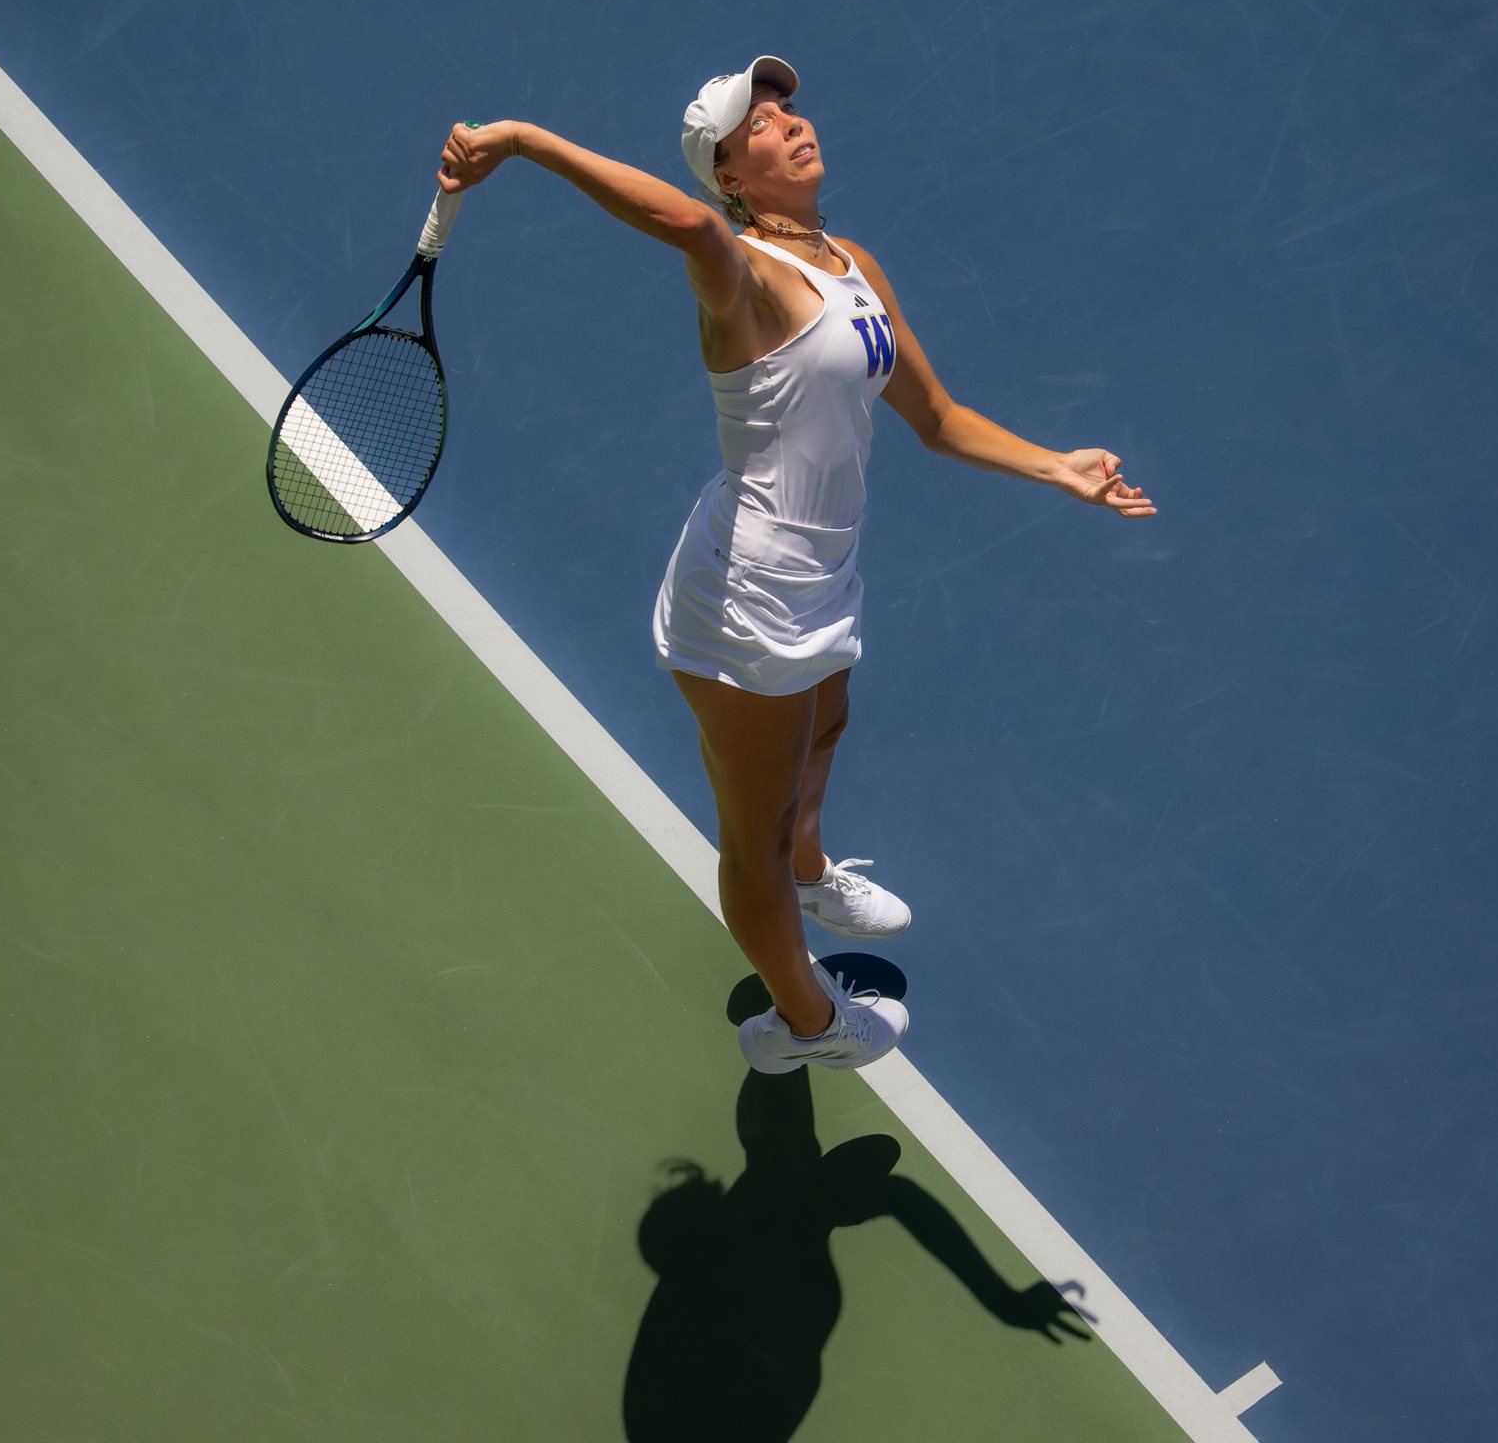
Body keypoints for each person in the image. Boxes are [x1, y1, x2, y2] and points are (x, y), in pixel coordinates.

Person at [437, 57, 1156, 1074]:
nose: (790, 123)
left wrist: (1057, 466)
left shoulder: (850, 263)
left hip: (823, 568)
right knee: (755, 839)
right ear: (730, 177)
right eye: (761, 126)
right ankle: (804, 1027)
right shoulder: (742, 273)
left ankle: (813, 874)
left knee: (828, 725)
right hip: (749, 605)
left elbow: (936, 416)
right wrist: (524, 139)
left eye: (787, 109)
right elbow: (689, 228)